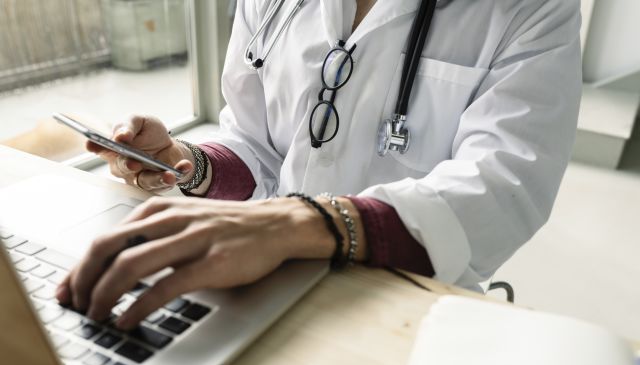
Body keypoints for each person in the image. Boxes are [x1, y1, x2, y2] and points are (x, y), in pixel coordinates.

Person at [56, 0, 582, 329]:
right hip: (270, 270)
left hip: (403, 295)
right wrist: (187, 162)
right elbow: (255, 142)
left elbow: (507, 184)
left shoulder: (532, 8)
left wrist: (311, 223)